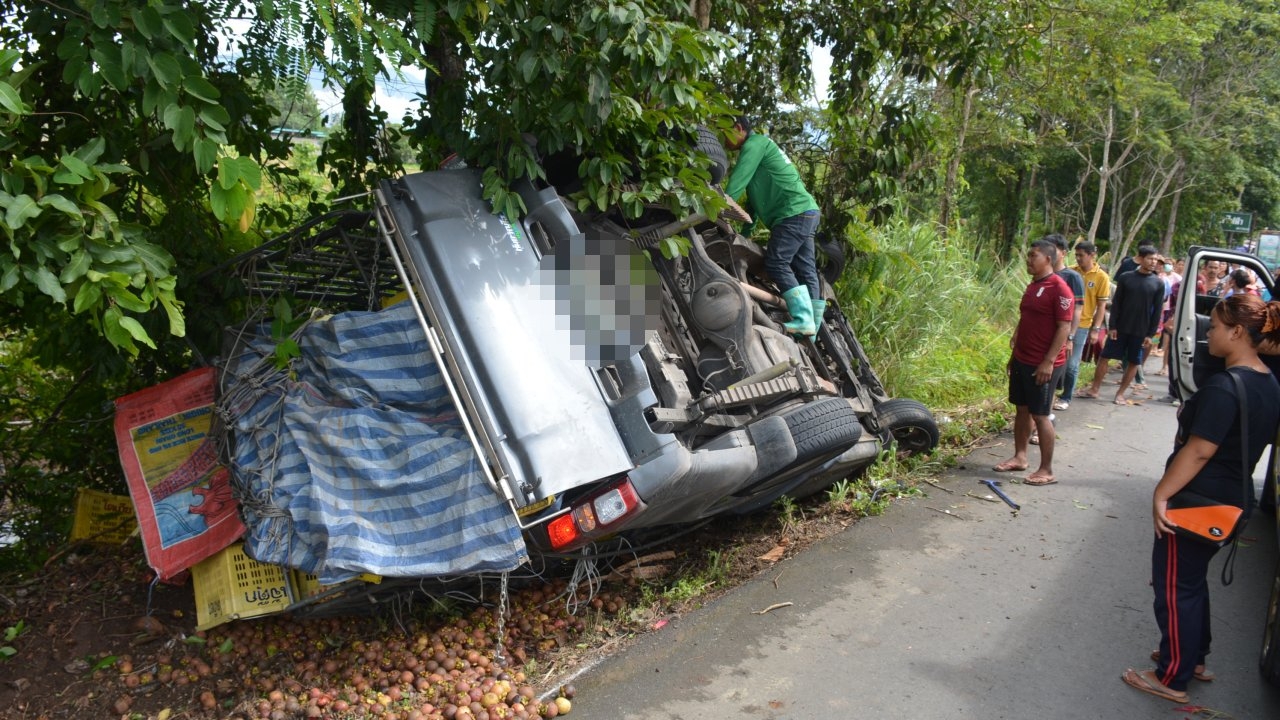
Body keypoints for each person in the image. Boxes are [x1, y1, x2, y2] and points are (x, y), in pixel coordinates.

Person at [1121, 293, 1280, 703]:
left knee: (1174, 588)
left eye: (1215, 326)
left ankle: (1171, 676)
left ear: (1238, 332)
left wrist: (1161, 494)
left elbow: (1200, 450)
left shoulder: (1226, 387)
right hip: (1231, 500)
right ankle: (1193, 659)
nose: (1209, 334)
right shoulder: (1267, 381)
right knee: (1191, 584)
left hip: (1197, 502)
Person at [724, 115, 823, 337]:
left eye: (724, 132)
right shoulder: (762, 148)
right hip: (806, 210)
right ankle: (812, 329)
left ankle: (805, 321)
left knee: (777, 262)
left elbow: (737, 183)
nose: (722, 140)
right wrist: (745, 233)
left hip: (792, 213)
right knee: (806, 269)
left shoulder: (754, 144)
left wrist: (718, 206)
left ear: (738, 128)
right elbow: (754, 204)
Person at [992, 239, 1072, 486]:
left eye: (1033, 256)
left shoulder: (1060, 288)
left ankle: (1046, 470)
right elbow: (1026, 319)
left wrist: (1048, 362)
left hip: (1043, 363)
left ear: (1048, 259)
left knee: (1040, 415)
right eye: (1028, 256)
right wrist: (1014, 355)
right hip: (1023, 359)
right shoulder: (1034, 285)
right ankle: (1020, 457)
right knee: (1022, 409)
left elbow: (1064, 327)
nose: (1028, 260)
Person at [1078, 246, 1165, 404]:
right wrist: (1112, 326)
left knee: (1133, 361)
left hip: (1140, 330)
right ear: (1140, 258)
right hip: (1120, 327)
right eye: (1150, 259)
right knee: (1105, 357)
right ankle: (1094, 389)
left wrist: (1150, 335)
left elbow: (1157, 311)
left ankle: (1120, 394)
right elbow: (1116, 304)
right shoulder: (1126, 277)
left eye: (1155, 259)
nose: (1153, 262)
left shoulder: (1158, 283)